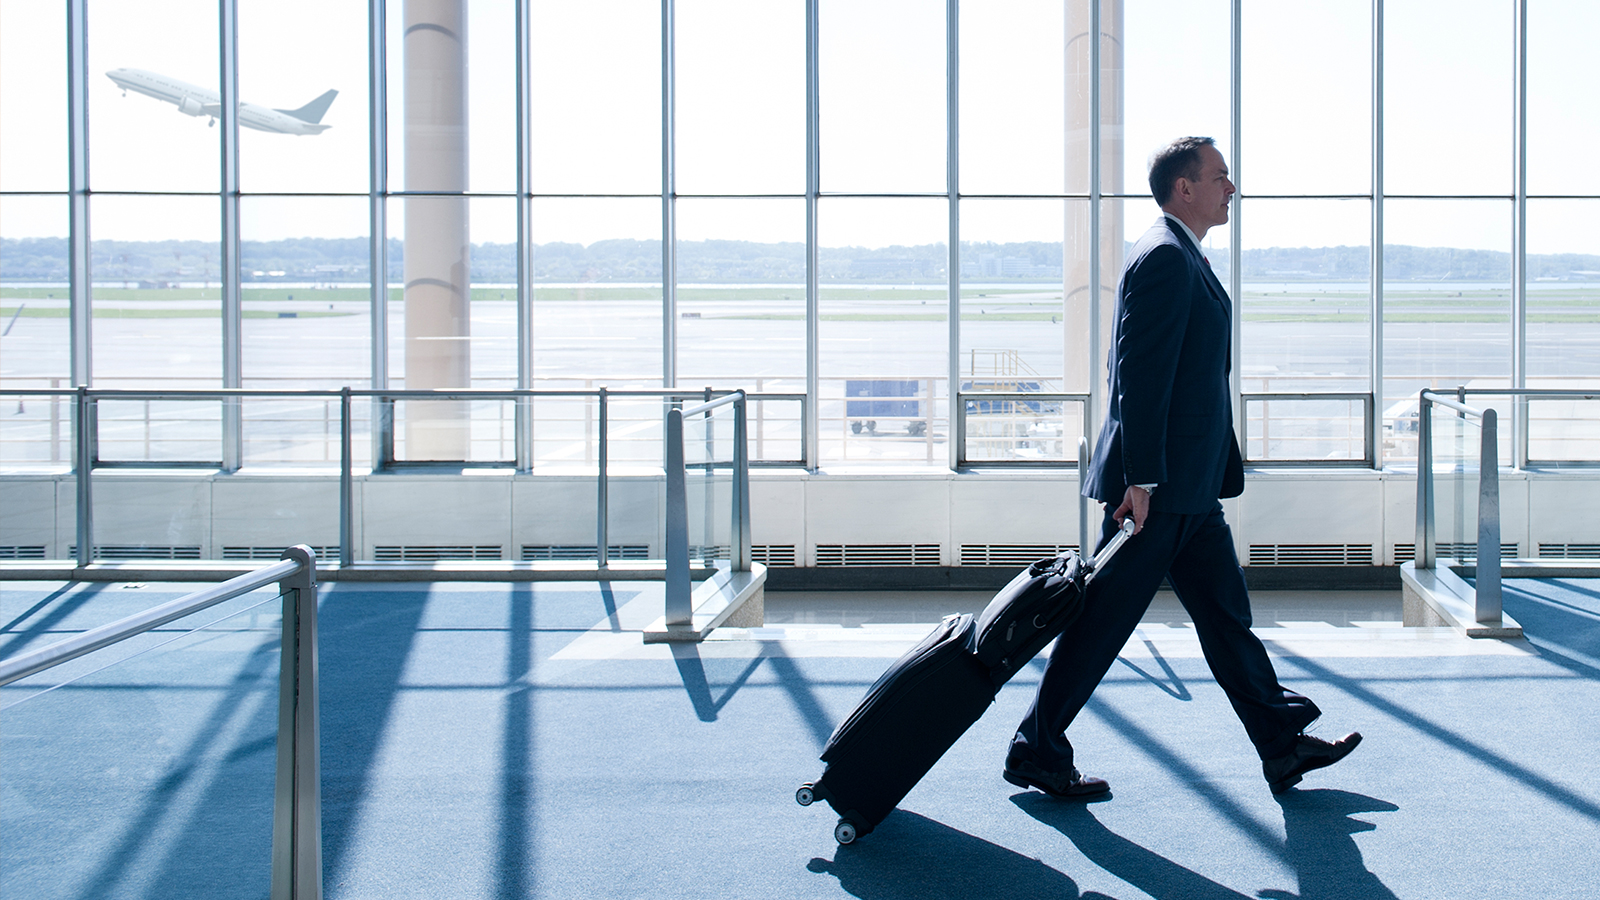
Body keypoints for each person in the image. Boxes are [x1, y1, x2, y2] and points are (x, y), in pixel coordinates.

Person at [1003, 136, 1361, 798]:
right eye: (1221, 177)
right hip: (1159, 491)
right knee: (1102, 622)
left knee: (1226, 618)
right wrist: (1141, 480)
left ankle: (1281, 745)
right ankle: (1037, 746)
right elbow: (1138, 378)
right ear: (1185, 188)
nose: (1233, 188)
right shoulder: (1166, 257)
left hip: (1187, 488)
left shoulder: (1179, 253)